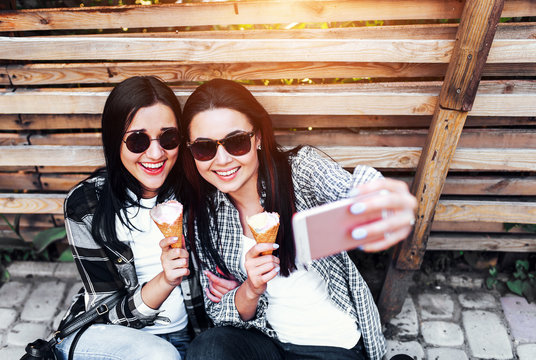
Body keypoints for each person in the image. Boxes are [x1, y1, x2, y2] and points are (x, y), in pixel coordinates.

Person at [180, 79, 418, 360]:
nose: (221, 160)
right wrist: (250, 289)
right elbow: (221, 312)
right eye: (204, 148)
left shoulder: (300, 171)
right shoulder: (204, 215)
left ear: (256, 138)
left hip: (328, 345)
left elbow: (347, 190)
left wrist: (376, 199)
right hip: (265, 340)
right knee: (207, 349)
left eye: (236, 142)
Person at [55, 76, 236, 360]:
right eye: (138, 140)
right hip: (105, 336)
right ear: (116, 141)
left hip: (187, 335)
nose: (155, 153)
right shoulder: (86, 205)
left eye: (168, 138)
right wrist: (165, 280)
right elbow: (107, 313)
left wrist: (232, 284)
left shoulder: (198, 189)